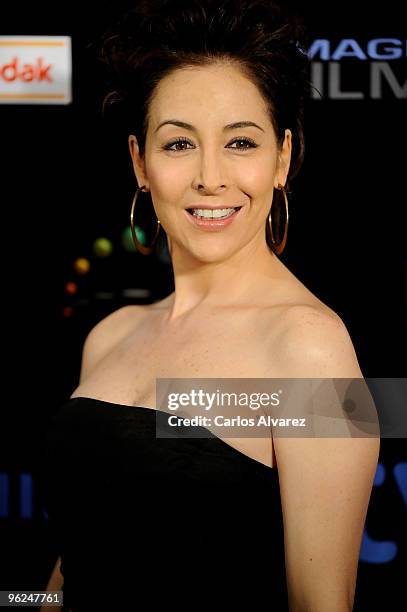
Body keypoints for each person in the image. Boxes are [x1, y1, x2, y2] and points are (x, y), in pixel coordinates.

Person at [40, 1, 380, 610]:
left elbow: (321, 603)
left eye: (240, 142)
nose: (210, 177)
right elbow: (74, 567)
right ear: (140, 163)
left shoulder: (311, 345)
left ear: (281, 158)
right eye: (178, 145)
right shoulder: (110, 334)